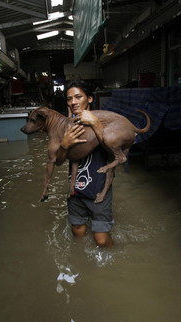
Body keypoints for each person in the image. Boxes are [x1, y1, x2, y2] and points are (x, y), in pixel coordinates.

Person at [55, 80, 114, 247]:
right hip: (76, 188)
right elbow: (58, 162)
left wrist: (95, 123)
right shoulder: (67, 126)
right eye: (69, 99)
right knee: (78, 232)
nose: (73, 102)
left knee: (101, 240)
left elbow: (115, 153)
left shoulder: (106, 120)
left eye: (78, 97)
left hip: (99, 188)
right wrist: (64, 145)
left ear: (89, 99)